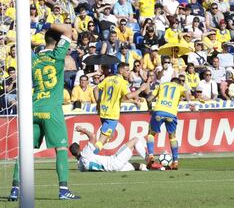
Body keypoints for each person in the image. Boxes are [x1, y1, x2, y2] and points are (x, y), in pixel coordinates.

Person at [8, 23, 80, 201]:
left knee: (25, 150)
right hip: (51, 109)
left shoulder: (32, 58)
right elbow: (68, 30)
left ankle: (15, 189)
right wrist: (50, 25)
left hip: (32, 108)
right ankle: (63, 190)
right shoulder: (58, 55)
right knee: (61, 148)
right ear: (57, 43)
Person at [93, 63, 147, 154]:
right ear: (121, 71)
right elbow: (129, 95)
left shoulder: (108, 79)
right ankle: (90, 156)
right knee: (104, 138)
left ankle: (94, 151)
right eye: (127, 70)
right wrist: (141, 89)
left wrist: (98, 103)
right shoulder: (123, 83)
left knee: (109, 136)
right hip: (112, 114)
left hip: (103, 111)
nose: (129, 72)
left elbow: (95, 89)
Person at [146, 77, 195, 170]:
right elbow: (187, 93)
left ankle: (151, 155)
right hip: (171, 113)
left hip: (159, 111)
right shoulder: (180, 87)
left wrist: (150, 109)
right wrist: (190, 102)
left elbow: (149, 99)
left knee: (151, 133)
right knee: (172, 136)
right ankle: (175, 161)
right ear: (177, 83)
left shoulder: (162, 85)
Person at [69, 126, 149, 172]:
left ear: (73, 155)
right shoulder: (85, 154)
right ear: (80, 149)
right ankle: (148, 159)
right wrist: (83, 130)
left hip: (111, 169)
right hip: (114, 162)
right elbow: (92, 136)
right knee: (135, 140)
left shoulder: (80, 166)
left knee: (136, 166)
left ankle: (158, 168)